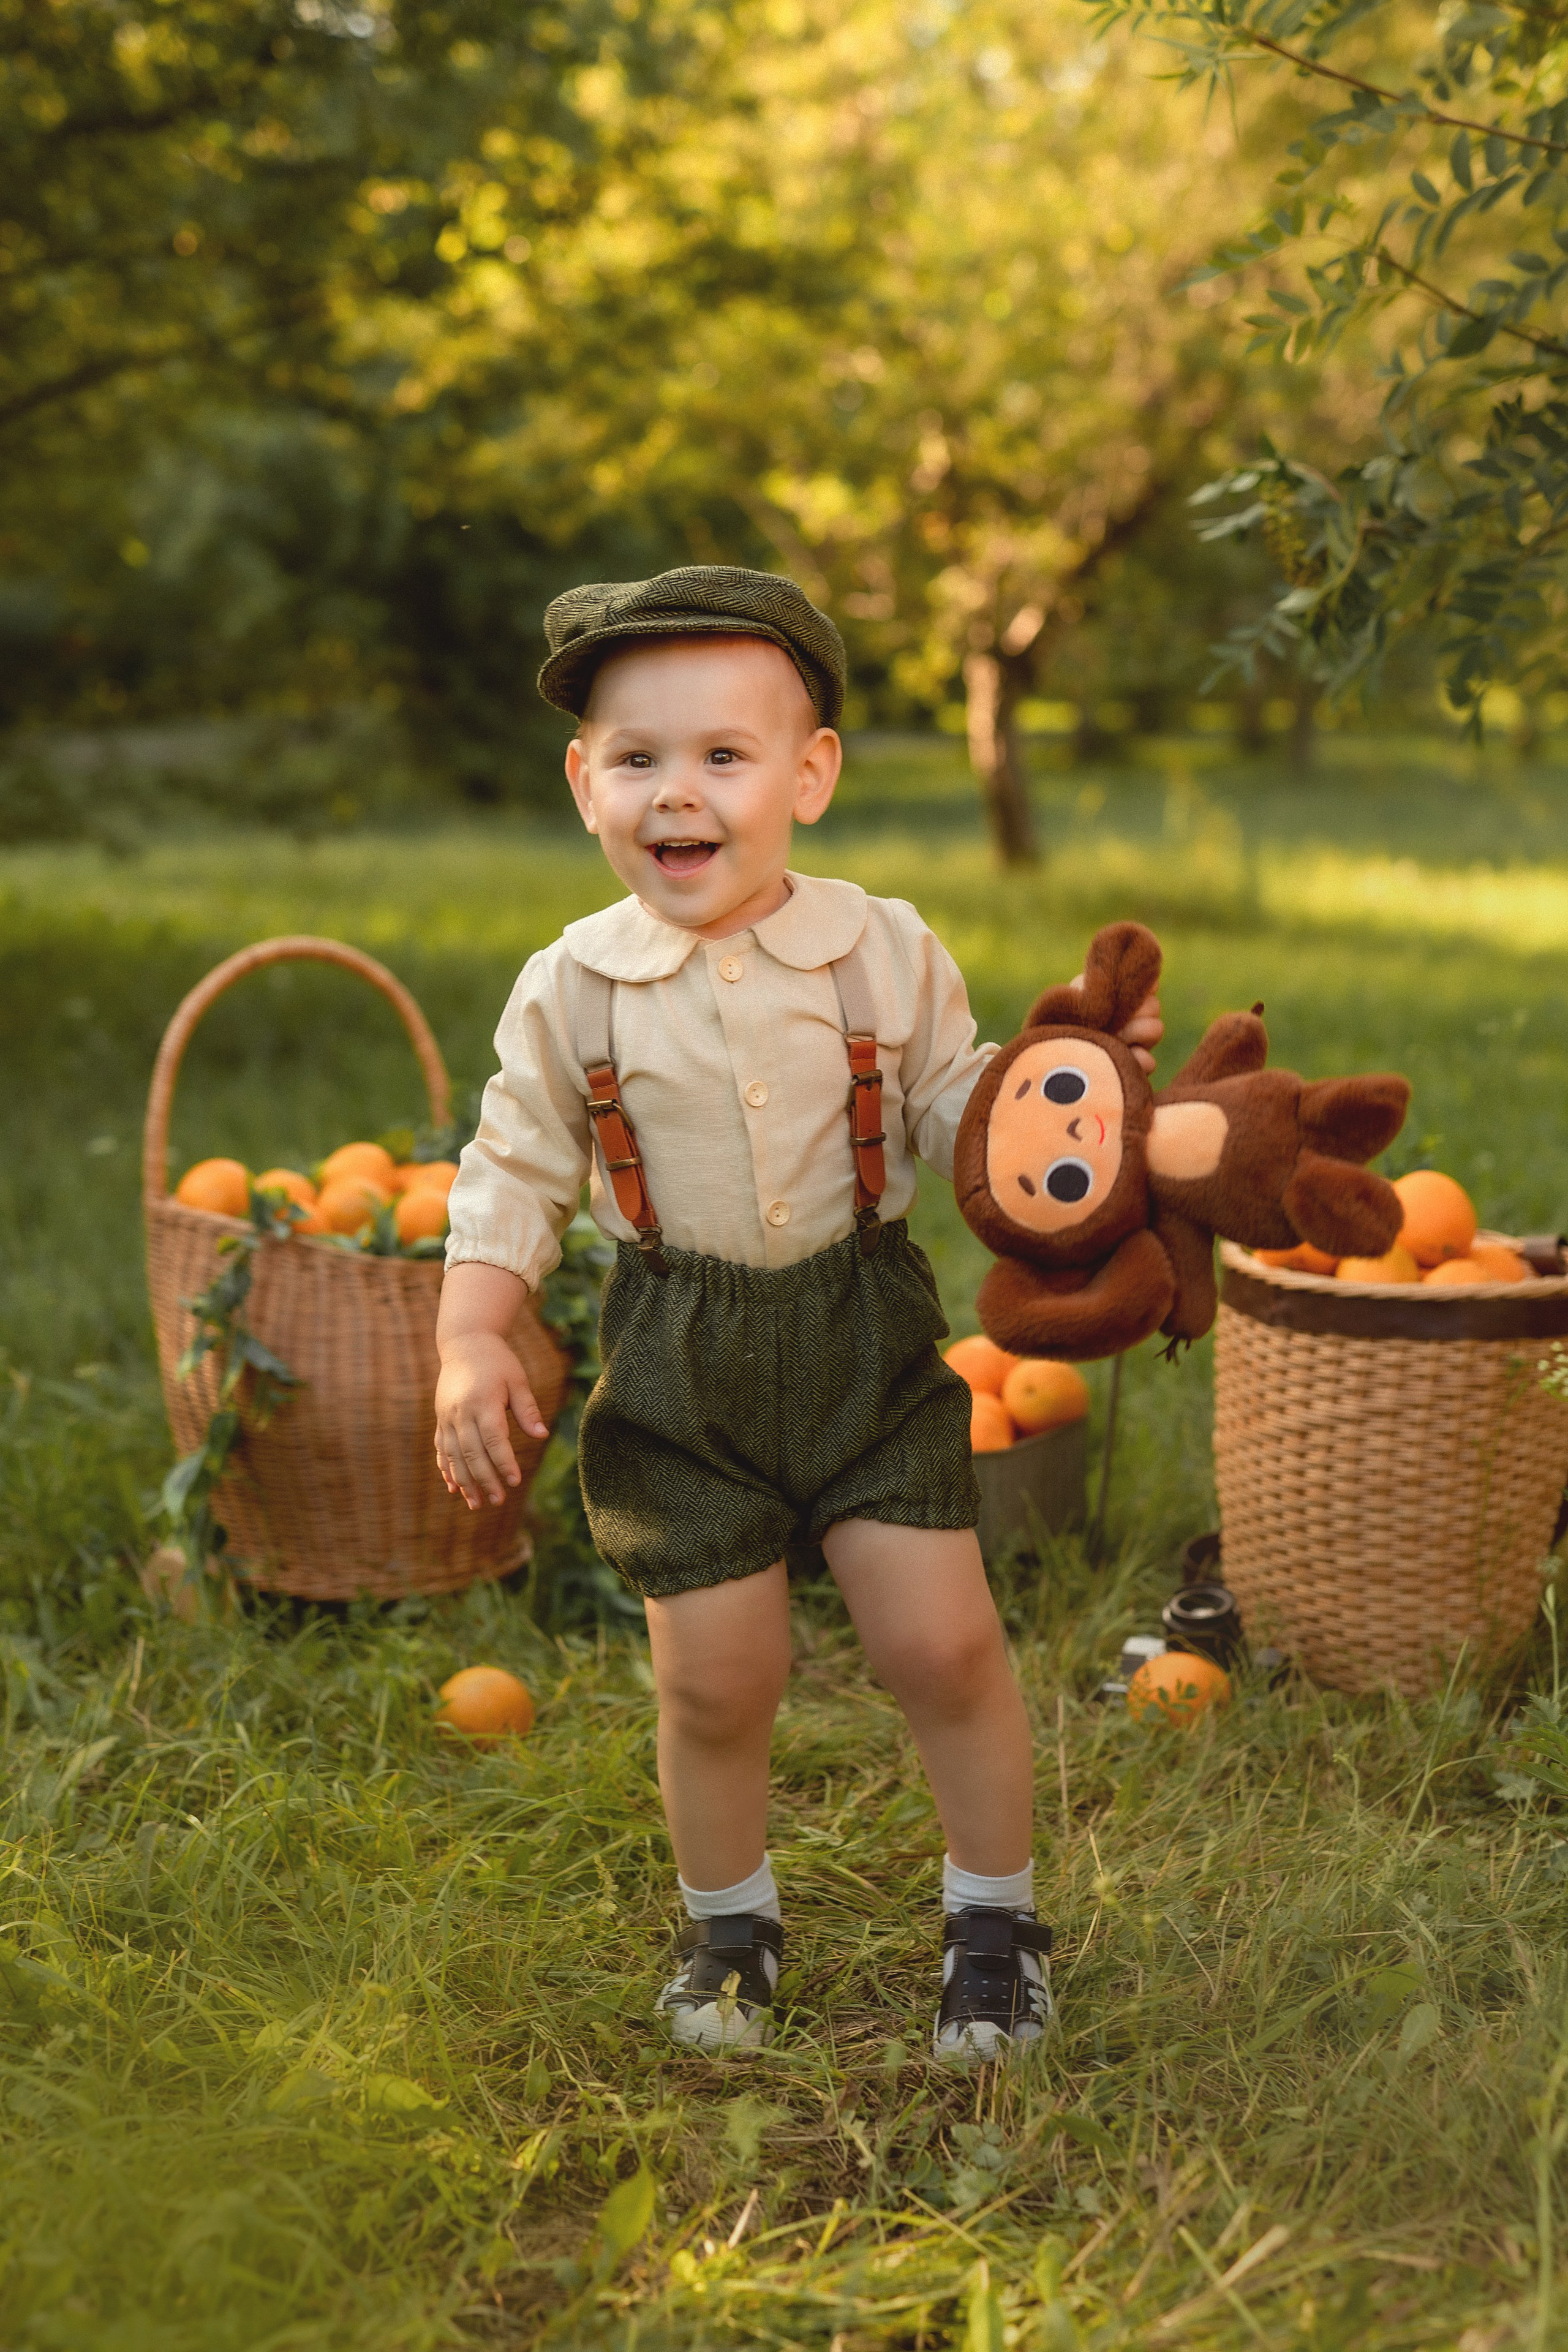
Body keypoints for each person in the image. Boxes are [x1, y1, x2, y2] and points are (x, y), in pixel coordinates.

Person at [434, 567, 1161, 2061]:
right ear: (585, 785)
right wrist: (469, 1335)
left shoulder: (883, 950)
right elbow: (509, 1169)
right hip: (675, 1365)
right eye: (637, 759)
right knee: (715, 1679)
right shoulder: (569, 989)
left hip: (863, 1344)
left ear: (808, 774)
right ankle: (728, 1932)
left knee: (943, 1645)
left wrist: (1067, 1087)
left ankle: (994, 1922)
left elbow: (968, 1111)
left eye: (722, 754)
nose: (676, 793)